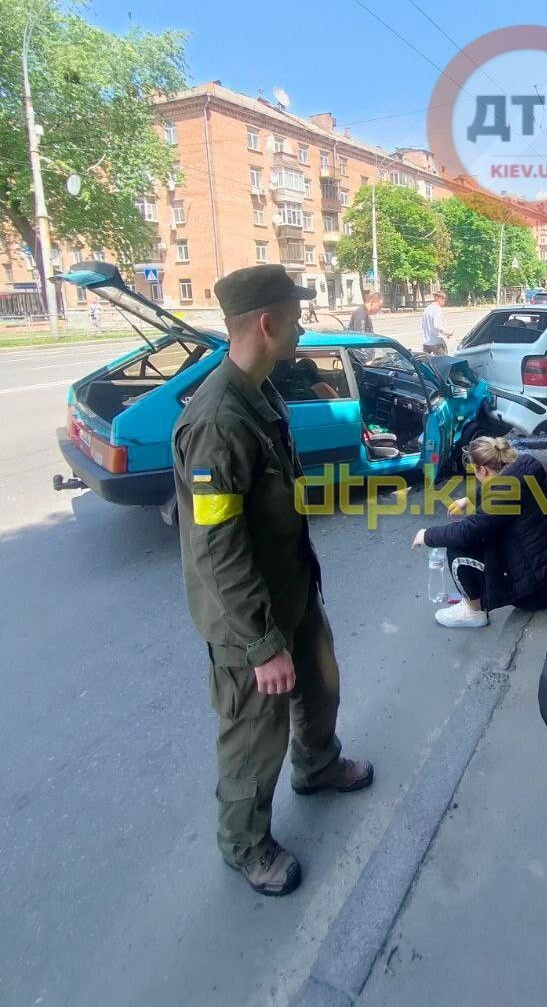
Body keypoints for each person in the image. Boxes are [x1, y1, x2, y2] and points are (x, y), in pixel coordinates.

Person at [172, 265, 373, 899]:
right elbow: (217, 547)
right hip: (246, 617)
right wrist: (261, 643)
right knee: (254, 735)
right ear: (267, 322)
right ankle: (245, 845)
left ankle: (316, 765)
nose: (303, 324)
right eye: (295, 314)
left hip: (290, 589)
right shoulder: (216, 421)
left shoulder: (262, 393)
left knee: (320, 682)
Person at [411, 435, 547, 629]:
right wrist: (467, 500)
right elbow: (495, 489)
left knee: (458, 546)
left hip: (538, 594)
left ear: (482, 470)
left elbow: (469, 531)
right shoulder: (528, 466)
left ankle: (473, 612)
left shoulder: (503, 494)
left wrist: (427, 535)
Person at [420, 290, 452, 355]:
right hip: (437, 343)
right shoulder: (437, 309)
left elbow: (423, 325)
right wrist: (447, 333)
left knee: (427, 363)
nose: (444, 303)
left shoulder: (427, 309)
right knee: (443, 362)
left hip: (426, 342)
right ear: (440, 299)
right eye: (444, 301)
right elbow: (437, 326)